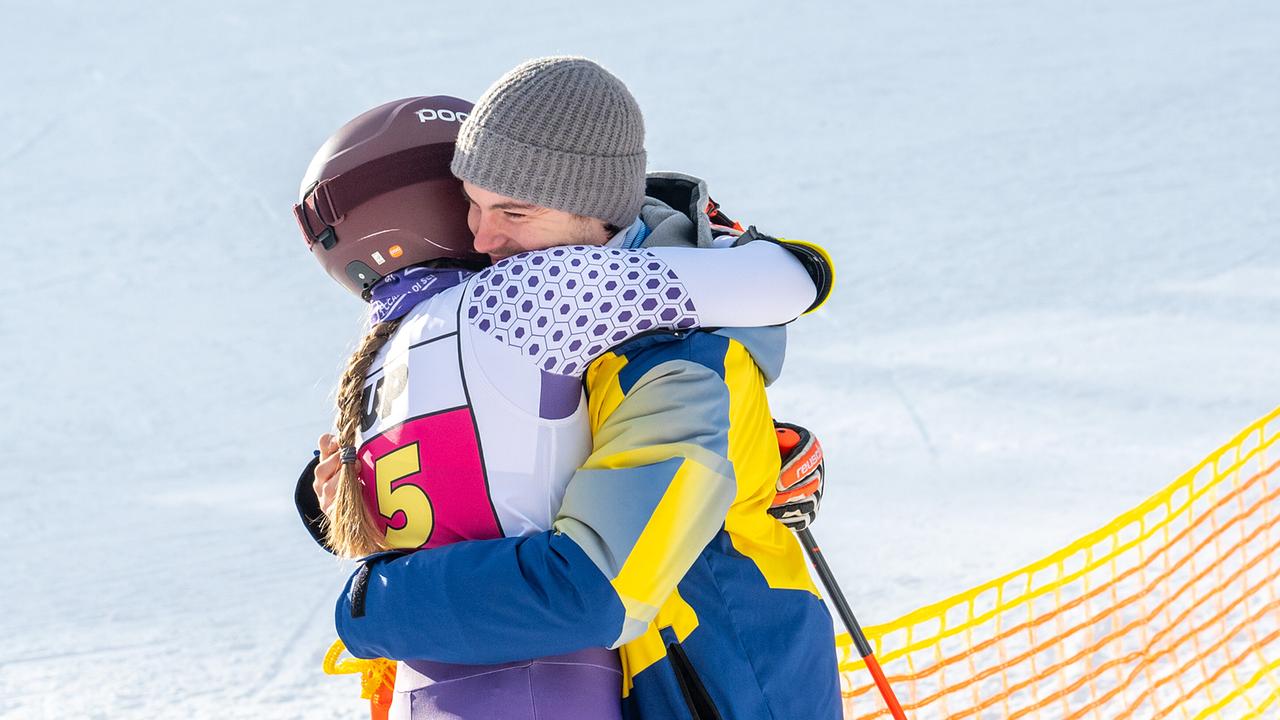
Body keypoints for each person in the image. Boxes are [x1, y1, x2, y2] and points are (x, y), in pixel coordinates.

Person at [328, 57, 843, 719]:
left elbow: (596, 592)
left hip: (720, 693)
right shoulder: (560, 314)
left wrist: (375, 602)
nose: (482, 239)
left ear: (598, 214)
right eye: (472, 206)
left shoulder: (673, 360)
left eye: (513, 210)